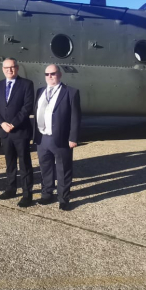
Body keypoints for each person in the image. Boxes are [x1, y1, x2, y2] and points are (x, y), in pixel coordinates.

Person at [34, 64, 82, 211]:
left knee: (63, 169)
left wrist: (73, 138)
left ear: (59, 74)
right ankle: (47, 194)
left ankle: (63, 198)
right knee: (45, 167)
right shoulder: (40, 91)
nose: (50, 77)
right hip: (42, 138)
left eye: (53, 74)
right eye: (47, 74)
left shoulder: (70, 92)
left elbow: (75, 117)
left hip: (60, 138)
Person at [0, 57, 36, 207]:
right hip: (5, 131)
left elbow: (27, 107)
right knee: (9, 163)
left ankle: (27, 194)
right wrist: (1, 123)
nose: (9, 70)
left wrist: (13, 123)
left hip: (20, 131)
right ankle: (11, 189)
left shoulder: (26, 84)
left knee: (24, 164)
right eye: (6, 68)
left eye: (12, 67)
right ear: (3, 70)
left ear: (17, 68)